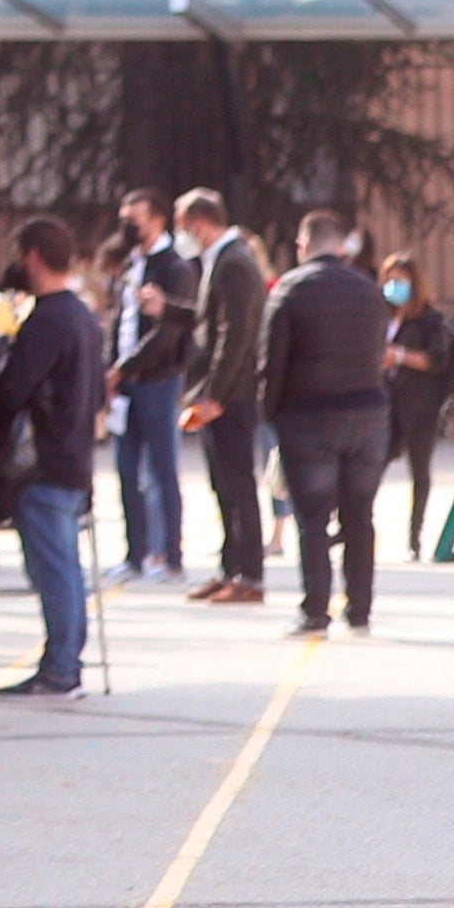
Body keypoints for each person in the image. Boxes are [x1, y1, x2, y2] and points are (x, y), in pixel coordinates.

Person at [0, 218, 106, 697]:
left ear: (32, 257)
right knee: (65, 568)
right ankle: (64, 658)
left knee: (53, 570)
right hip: (74, 457)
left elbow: (13, 389)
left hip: (43, 463)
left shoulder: (46, 320)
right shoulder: (81, 316)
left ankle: (60, 667)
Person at [260, 208, 393, 635]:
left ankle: (316, 609)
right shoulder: (369, 291)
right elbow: (376, 354)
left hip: (308, 416)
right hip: (367, 414)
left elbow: (272, 364)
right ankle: (360, 609)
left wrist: (272, 414)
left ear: (303, 246)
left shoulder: (290, 291)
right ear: (340, 245)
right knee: (360, 515)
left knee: (313, 518)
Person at [177, 191, 273, 605]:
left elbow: (235, 335)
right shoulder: (223, 259)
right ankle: (230, 566)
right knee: (223, 484)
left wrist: (215, 394)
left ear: (199, 221)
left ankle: (249, 575)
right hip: (223, 393)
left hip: (233, 395)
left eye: (183, 225)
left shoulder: (234, 261)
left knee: (237, 484)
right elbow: (210, 320)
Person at [106, 191, 195, 579]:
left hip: (157, 381)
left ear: (157, 220)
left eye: (135, 218)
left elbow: (168, 332)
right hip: (126, 385)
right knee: (126, 470)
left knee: (162, 470)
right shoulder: (131, 264)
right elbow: (121, 321)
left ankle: (168, 554)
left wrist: (124, 367)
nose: (128, 226)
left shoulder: (174, 267)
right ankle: (135, 553)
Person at [385, 250, 454, 557]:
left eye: (400, 281)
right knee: (370, 466)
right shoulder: (382, 315)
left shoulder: (430, 320)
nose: (393, 287)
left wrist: (399, 356)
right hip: (386, 404)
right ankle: (352, 527)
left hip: (420, 406)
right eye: (389, 280)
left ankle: (414, 537)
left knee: (419, 472)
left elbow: (438, 360)